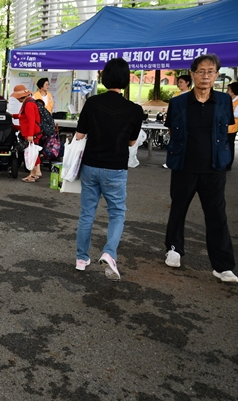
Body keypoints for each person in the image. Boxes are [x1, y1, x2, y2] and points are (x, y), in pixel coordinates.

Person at [163, 54, 238, 283]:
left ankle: (223, 266)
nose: (206, 76)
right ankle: (174, 249)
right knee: (178, 210)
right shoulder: (178, 102)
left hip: (214, 169)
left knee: (217, 216)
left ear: (217, 75)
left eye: (211, 72)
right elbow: (171, 130)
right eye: (201, 71)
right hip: (184, 167)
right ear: (193, 74)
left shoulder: (224, 101)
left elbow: (225, 130)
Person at [74, 58, 143, 280]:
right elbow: (132, 142)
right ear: (125, 79)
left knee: (87, 213)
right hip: (116, 168)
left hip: (90, 165)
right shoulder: (135, 110)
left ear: (104, 77)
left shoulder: (92, 103)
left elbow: (79, 135)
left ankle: (81, 259)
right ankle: (109, 252)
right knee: (117, 212)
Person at [11, 84, 42, 182]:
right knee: (34, 152)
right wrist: (13, 116)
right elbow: (24, 116)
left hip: (32, 133)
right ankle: (37, 172)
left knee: (31, 154)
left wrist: (30, 134)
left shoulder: (28, 104)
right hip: (34, 132)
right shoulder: (29, 102)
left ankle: (32, 175)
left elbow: (31, 120)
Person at [226, 82, 238, 171]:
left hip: (232, 129)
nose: (227, 91)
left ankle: (228, 165)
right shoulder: (227, 100)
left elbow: (237, 114)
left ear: (233, 91)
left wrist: (226, 112)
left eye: (228, 90)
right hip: (224, 127)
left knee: (230, 146)